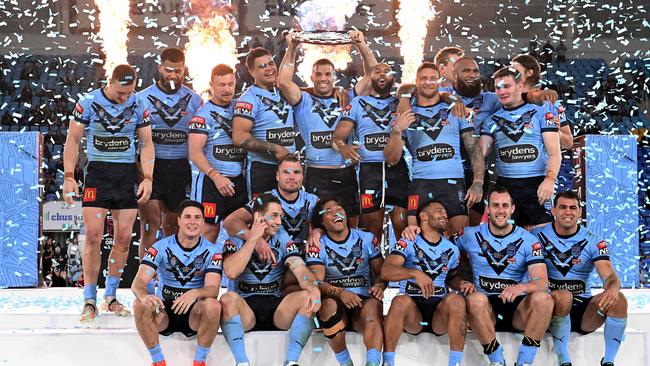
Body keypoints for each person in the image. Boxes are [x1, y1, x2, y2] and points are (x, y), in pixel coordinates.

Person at [63, 64, 154, 322]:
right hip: (98, 175)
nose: (125, 98)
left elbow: (147, 143)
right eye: (121, 92)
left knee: (124, 238)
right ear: (110, 81)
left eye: (129, 92)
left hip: (126, 175)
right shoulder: (88, 101)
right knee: (93, 235)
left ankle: (110, 296)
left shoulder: (138, 103)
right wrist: (69, 176)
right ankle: (89, 300)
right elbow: (73, 139)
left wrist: (148, 177)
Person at [278, 29, 378, 227]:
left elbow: (373, 75)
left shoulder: (348, 97)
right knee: (316, 226)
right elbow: (282, 82)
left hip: (346, 172)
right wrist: (293, 45)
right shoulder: (303, 99)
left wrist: (361, 44)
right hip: (317, 173)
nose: (323, 78)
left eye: (327, 74)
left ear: (334, 78)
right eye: (318, 74)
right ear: (311, 77)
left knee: (351, 224)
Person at [452, 187, 553, 366]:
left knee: (544, 300)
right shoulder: (469, 235)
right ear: (488, 209)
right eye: (495, 205)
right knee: (475, 300)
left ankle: (524, 361)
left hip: (518, 310)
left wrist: (521, 287)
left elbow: (542, 282)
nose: (500, 210)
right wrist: (460, 281)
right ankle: (497, 360)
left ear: (512, 209)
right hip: (485, 309)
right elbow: (438, 246)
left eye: (505, 205)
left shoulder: (528, 240)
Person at [219, 194, 321, 366]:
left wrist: (313, 287)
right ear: (258, 216)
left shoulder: (282, 238)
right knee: (227, 299)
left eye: (280, 217)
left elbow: (301, 270)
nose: (279, 222)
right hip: (245, 310)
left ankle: (291, 362)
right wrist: (254, 239)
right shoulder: (235, 239)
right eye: (274, 216)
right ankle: (242, 362)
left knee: (308, 295)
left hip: (276, 309)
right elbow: (231, 271)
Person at [384, 62, 484, 236]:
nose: (428, 82)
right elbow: (391, 159)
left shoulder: (456, 110)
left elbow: (473, 148)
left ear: (439, 81)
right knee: (419, 239)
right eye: (423, 78)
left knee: (460, 237)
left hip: (453, 182)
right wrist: (397, 131)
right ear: (416, 81)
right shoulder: (406, 113)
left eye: (432, 78)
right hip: (421, 183)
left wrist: (478, 182)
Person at [532, 191, 628, 366]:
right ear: (553, 210)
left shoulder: (593, 241)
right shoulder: (536, 236)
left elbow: (609, 275)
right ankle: (563, 359)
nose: (568, 212)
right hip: (552, 308)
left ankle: (608, 361)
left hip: (584, 313)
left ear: (579, 213)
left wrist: (613, 288)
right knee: (562, 296)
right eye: (562, 207)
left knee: (619, 300)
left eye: (572, 208)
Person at [132, 200, 223, 366]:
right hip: (164, 312)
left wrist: (195, 293)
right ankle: (158, 362)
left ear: (203, 222)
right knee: (139, 304)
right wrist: (144, 296)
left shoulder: (213, 251)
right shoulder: (159, 247)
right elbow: (138, 282)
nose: (192, 222)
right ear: (179, 221)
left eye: (197, 217)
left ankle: (200, 362)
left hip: (194, 313)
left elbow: (213, 288)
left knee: (213, 305)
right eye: (187, 217)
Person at [382, 200, 472, 366]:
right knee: (399, 301)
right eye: (439, 211)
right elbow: (386, 271)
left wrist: (462, 284)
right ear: (423, 216)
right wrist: (414, 273)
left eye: (445, 212)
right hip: (412, 312)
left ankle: (455, 363)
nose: (445, 215)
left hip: (439, 312)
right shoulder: (408, 240)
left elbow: (452, 277)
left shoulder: (452, 249)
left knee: (457, 301)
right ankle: (387, 362)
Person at [137, 48, 203, 272]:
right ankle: (145, 279)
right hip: (151, 169)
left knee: (173, 227)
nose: (173, 75)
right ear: (159, 68)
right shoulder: (142, 98)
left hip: (181, 169)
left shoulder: (195, 100)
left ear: (184, 69)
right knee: (150, 225)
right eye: (168, 70)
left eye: (178, 71)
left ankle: (169, 276)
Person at [332, 63, 409, 242]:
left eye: (387, 72)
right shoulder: (357, 103)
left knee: (401, 224)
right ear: (369, 78)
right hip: (369, 171)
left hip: (397, 167)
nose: (382, 75)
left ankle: (400, 265)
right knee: (372, 228)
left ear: (393, 79)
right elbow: (338, 136)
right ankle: (375, 269)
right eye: (377, 72)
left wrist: (405, 91)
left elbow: (413, 88)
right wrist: (342, 147)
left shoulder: (401, 101)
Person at [221, 154, 318, 292]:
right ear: (277, 176)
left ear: (303, 176)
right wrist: (258, 240)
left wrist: (318, 231)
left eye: (296, 172)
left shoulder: (313, 200)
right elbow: (230, 222)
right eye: (286, 172)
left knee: (311, 277)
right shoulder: (264, 200)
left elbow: (335, 222)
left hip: (295, 257)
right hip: (271, 254)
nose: (292, 177)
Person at [480, 67, 561, 229]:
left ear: (520, 85)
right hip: (506, 187)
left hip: (537, 185)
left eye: (507, 86)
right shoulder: (491, 120)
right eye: (498, 88)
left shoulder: (541, 113)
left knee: (543, 238)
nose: (502, 91)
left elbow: (555, 153)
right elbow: (481, 153)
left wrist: (550, 179)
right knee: (507, 240)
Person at [307, 197, 385, 366]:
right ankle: (345, 363)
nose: (337, 213)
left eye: (339, 208)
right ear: (321, 221)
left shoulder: (366, 238)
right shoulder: (317, 244)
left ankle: (372, 363)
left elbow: (382, 272)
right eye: (329, 211)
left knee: (373, 306)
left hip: (362, 304)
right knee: (327, 306)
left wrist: (380, 284)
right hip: (337, 303)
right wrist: (341, 293)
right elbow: (315, 282)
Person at [188, 64, 247, 243]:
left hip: (238, 181)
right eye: (221, 85)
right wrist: (216, 176)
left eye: (230, 84)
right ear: (211, 85)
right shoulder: (203, 115)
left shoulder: (241, 107)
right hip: (211, 183)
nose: (227, 89)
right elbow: (194, 152)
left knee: (239, 233)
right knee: (208, 233)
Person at [232, 47, 296, 197]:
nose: (269, 69)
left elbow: (307, 93)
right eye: (262, 66)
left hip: (288, 168)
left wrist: (336, 90)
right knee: (263, 217)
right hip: (262, 170)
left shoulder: (284, 91)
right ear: (252, 72)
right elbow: (239, 137)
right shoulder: (248, 99)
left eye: (271, 63)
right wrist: (274, 149)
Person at [450, 57, 502, 225]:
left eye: (476, 71)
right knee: (448, 225)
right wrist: (450, 99)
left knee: (471, 227)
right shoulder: (443, 96)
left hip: (478, 171)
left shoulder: (492, 99)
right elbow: (408, 90)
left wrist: (537, 95)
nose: (472, 75)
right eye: (466, 71)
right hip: (449, 171)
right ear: (454, 74)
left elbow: (518, 99)